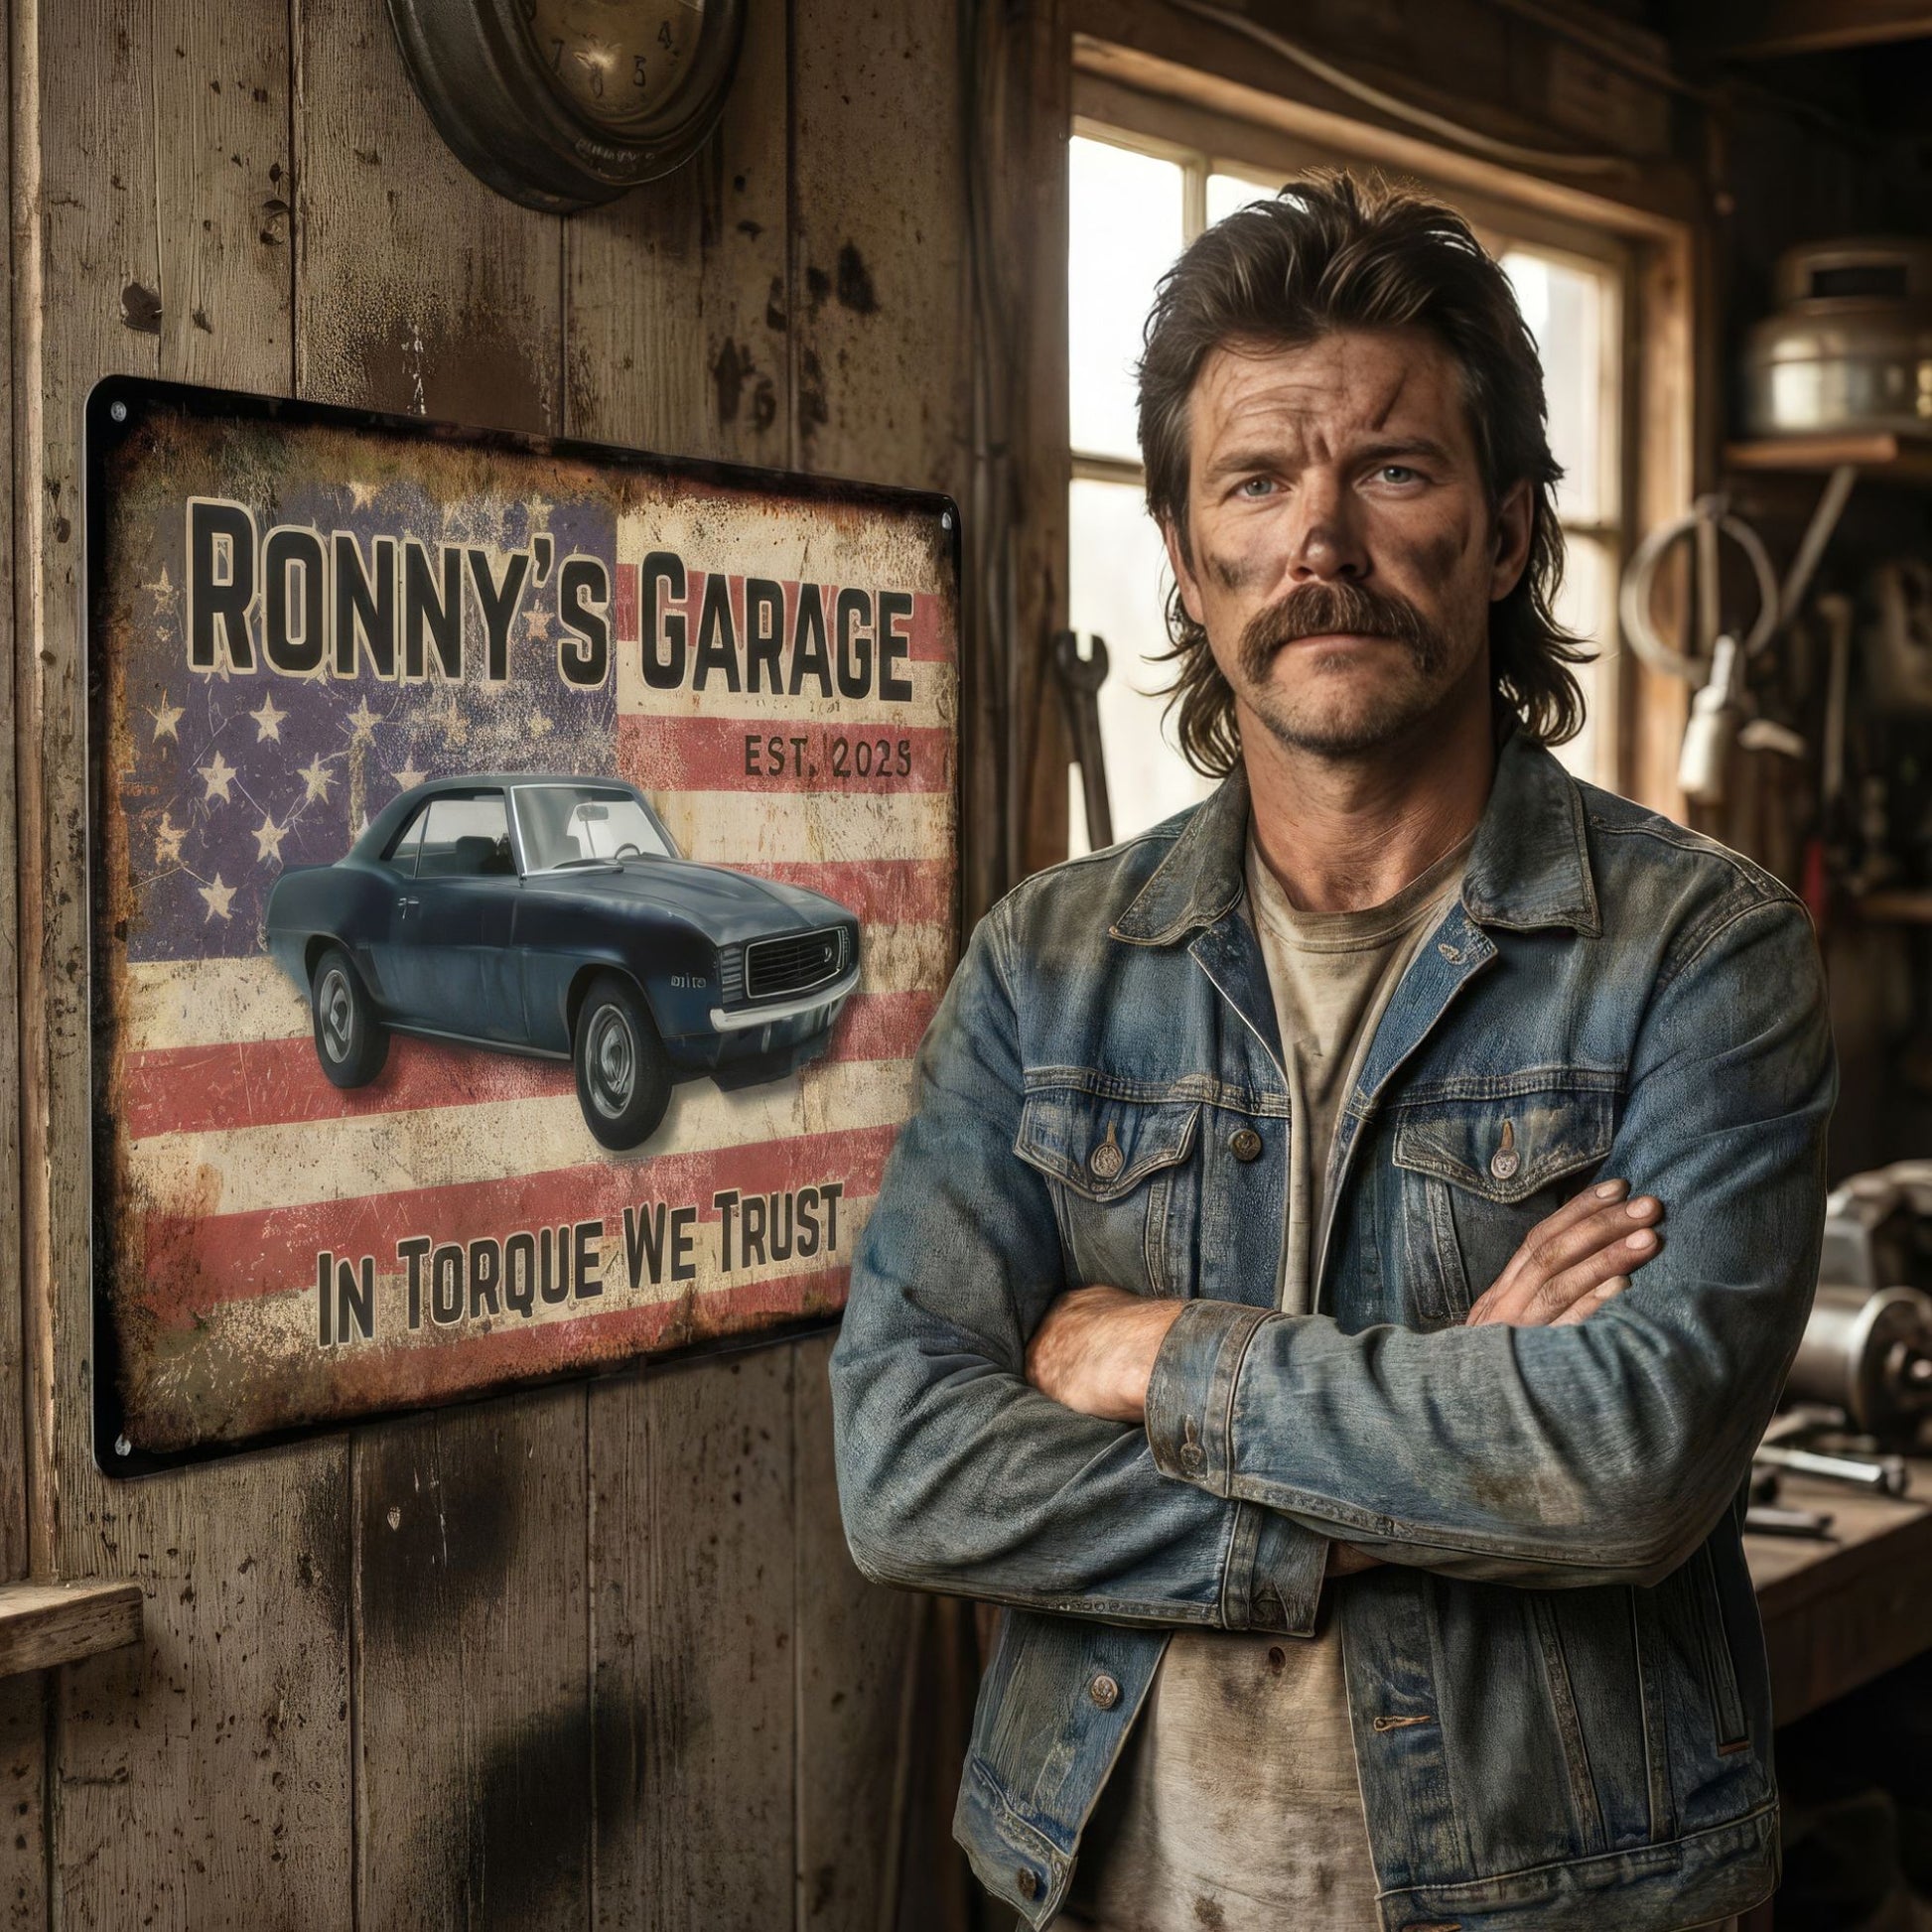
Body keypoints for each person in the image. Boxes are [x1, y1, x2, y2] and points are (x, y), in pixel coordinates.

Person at [830, 170, 1834, 1932]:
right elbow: (908, 1473)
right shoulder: (1049, 964)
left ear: (1507, 533)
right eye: (1254, 480)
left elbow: (1625, 1468)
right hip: (1109, 1893)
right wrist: (1433, 1439)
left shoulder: (1700, 952)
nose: (1322, 543)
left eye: (1391, 468)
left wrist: (1155, 1353)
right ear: (1183, 556)